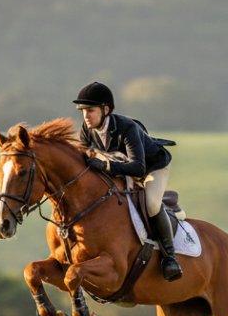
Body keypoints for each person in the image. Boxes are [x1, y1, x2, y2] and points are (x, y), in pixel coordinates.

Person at [73, 81, 182, 281]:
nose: (86, 116)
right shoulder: (87, 128)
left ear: (106, 109)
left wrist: (106, 166)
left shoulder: (126, 128)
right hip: (122, 168)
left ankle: (170, 258)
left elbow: (138, 167)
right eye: (82, 111)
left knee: (151, 205)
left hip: (151, 167)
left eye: (90, 110)